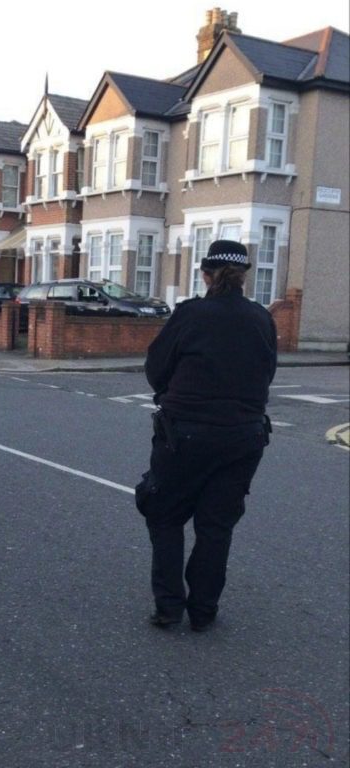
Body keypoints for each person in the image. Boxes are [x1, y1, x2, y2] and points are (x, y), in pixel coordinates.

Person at [135, 239, 277, 632]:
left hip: (185, 435)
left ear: (205, 274)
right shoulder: (262, 319)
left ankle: (168, 607)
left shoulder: (190, 315)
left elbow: (157, 368)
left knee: (164, 515)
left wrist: (170, 394)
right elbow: (267, 373)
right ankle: (204, 610)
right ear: (244, 277)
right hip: (244, 438)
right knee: (216, 526)